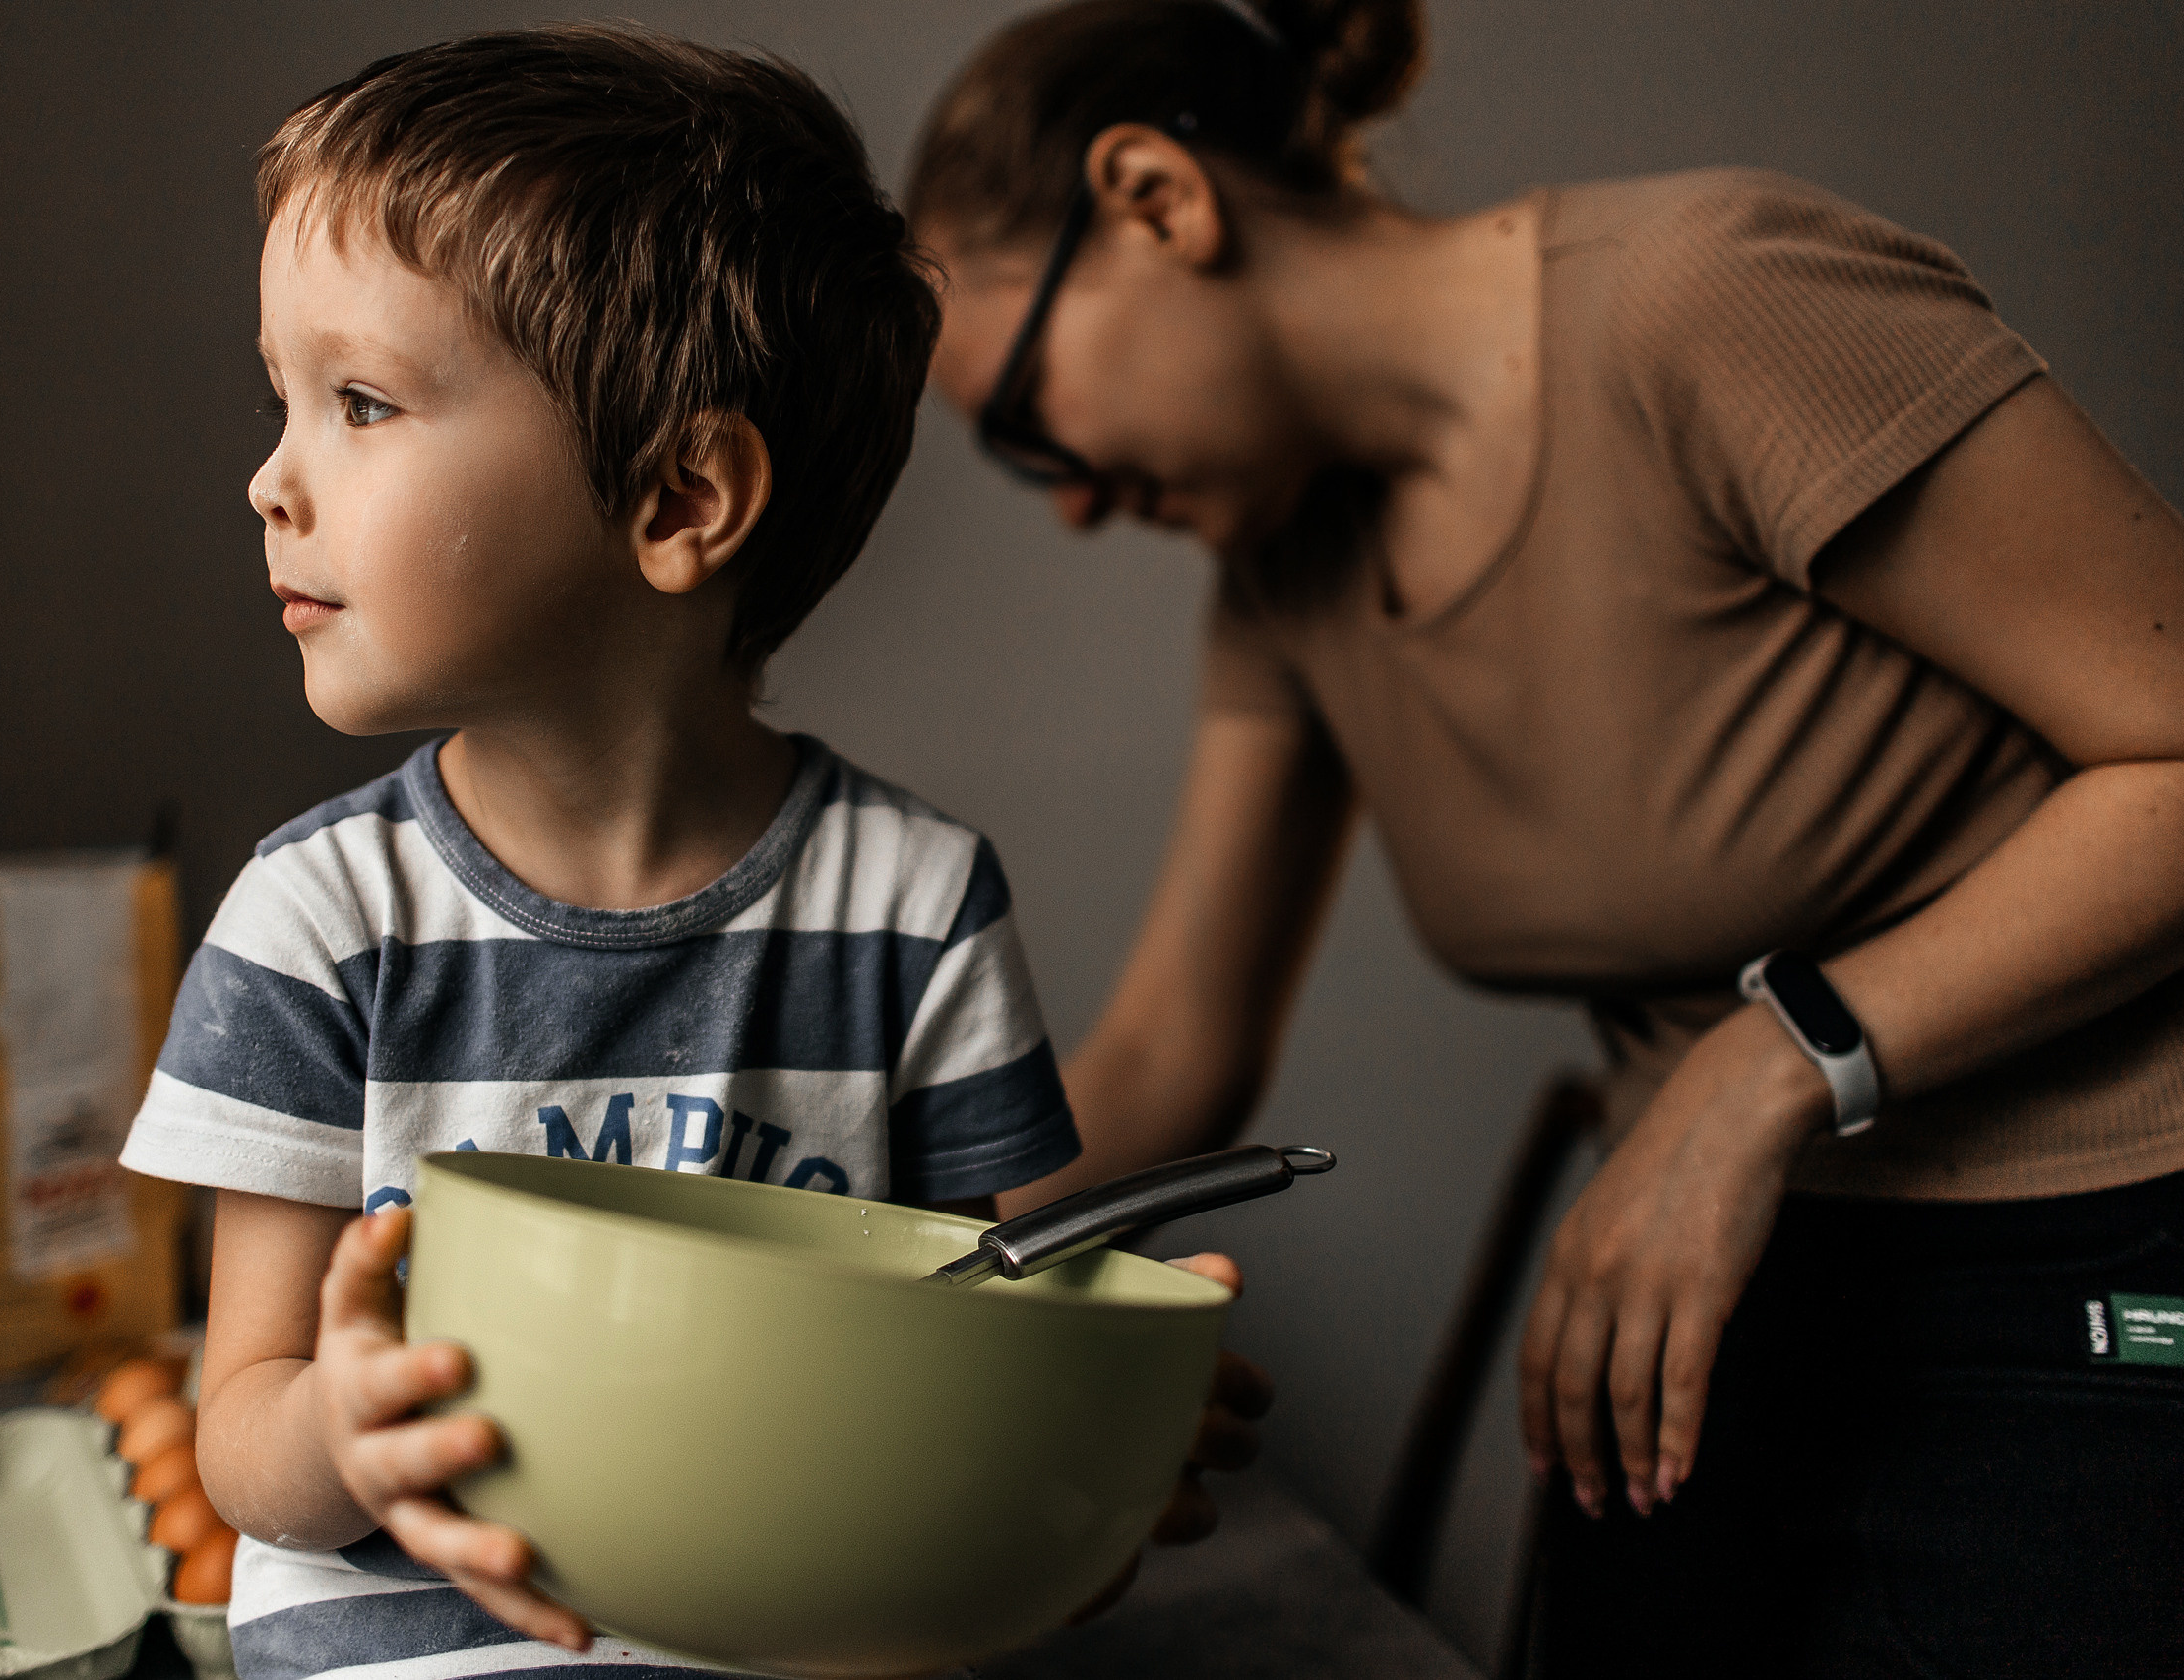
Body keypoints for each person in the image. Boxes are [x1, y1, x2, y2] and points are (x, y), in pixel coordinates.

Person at [906, 1, 2184, 1674]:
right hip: (1701, 1283)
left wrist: (1766, 1066)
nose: (1068, 497)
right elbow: (1172, 1048)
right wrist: (876, 1263)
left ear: (1155, 198)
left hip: (2084, 1254)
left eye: (1026, 422)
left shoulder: (1703, 300)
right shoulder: (1282, 573)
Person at [117, 28, 1255, 1680]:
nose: (269, 480)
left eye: (360, 401)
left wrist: (1093, 1442)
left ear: (679, 497)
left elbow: (958, 1382)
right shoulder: (319, 924)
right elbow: (241, 1438)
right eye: (283, 397)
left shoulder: (915, 913)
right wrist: (346, 1439)